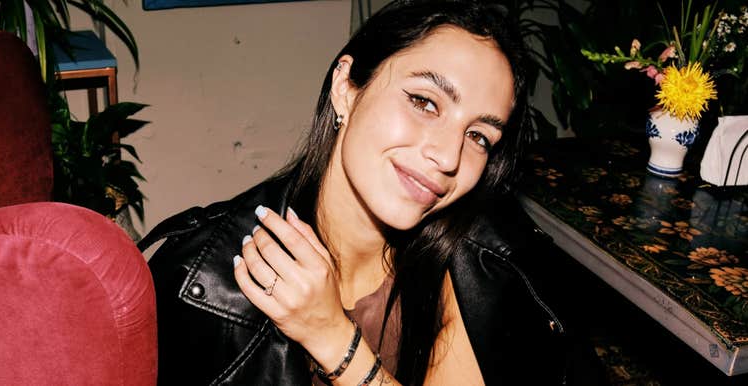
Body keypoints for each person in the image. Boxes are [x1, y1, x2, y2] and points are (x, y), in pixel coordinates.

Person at [140, 1, 568, 385]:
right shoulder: (198, 284)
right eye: (424, 102)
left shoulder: (468, 261)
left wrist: (332, 337)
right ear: (346, 87)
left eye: (478, 135)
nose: (447, 156)